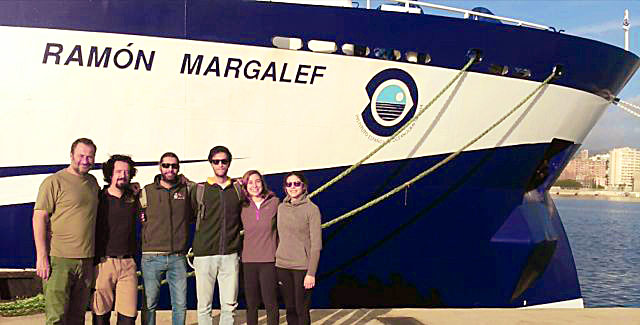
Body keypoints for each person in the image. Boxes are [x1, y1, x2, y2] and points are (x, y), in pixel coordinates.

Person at [33, 138, 100, 325]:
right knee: (56, 318)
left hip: (86, 262)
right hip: (59, 261)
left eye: (90, 156)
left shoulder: (92, 183)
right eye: (81, 155)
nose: (85, 160)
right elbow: (39, 218)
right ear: (71, 155)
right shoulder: (54, 181)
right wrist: (42, 257)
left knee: (77, 318)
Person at [190, 146, 243, 325]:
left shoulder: (237, 190)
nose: (220, 165)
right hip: (204, 255)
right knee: (204, 305)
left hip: (230, 254)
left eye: (224, 161)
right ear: (210, 163)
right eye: (216, 161)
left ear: (229, 163)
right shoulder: (200, 190)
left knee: (229, 305)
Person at [139, 152, 192, 325]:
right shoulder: (146, 191)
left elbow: (198, 207)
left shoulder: (186, 190)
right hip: (152, 257)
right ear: (159, 167)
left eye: (174, 166)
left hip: (178, 257)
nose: (170, 169)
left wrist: (189, 182)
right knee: (149, 305)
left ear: (178, 168)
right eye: (166, 165)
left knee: (180, 305)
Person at [92, 155, 139, 325]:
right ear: (110, 174)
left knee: (128, 318)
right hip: (104, 263)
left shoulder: (134, 198)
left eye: (126, 172)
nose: (123, 175)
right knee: (100, 317)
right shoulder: (99, 198)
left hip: (128, 265)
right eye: (118, 171)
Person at [276, 171, 322, 325]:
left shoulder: (312, 209)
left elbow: (316, 244)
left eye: (296, 183)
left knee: (301, 309)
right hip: (282, 266)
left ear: (304, 186)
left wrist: (311, 273)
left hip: (302, 268)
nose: (293, 187)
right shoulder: (281, 208)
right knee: (290, 309)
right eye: (289, 184)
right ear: (285, 188)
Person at [239, 170, 280, 325]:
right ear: (245, 185)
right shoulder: (242, 206)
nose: (254, 185)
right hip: (248, 262)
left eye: (257, 181)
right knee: (251, 304)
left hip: (269, 261)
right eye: (250, 182)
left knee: (271, 303)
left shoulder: (275, 203)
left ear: (263, 183)